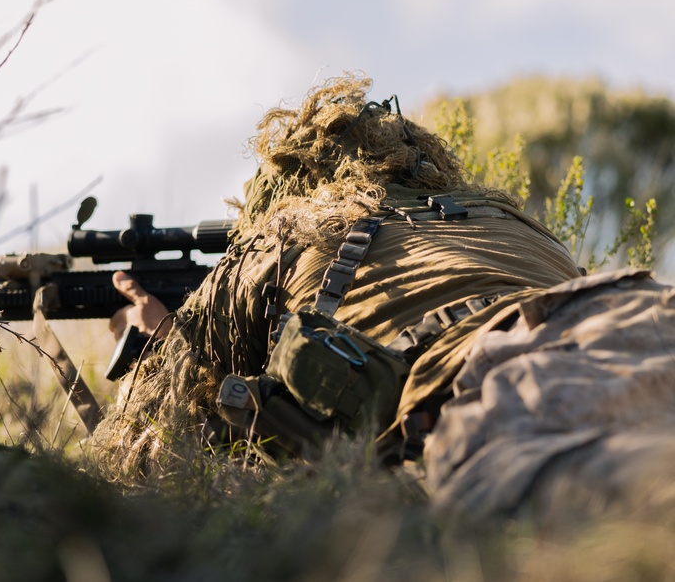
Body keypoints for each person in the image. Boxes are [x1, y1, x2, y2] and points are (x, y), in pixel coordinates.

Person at [92, 73, 675, 520]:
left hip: (501, 372)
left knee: (625, 510)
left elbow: (140, 457)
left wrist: (158, 339)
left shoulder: (286, 235)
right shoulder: (510, 219)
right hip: (643, 311)